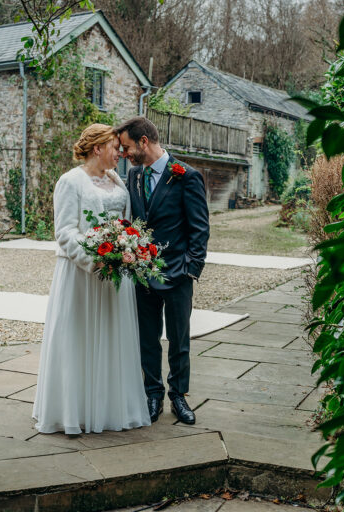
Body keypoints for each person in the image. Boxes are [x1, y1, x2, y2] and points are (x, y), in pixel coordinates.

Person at [32, 124, 151, 434]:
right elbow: (64, 232)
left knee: (112, 338)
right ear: (98, 148)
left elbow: (125, 224)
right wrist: (94, 258)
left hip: (115, 277)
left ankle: (111, 408)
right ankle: (75, 411)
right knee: (79, 340)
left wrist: (130, 249)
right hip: (81, 276)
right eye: (115, 147)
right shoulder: (70, 182)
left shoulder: (116, 180)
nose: (120, 153)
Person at [116, 117, 209, 425]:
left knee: (179, 338)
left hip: (178, 273)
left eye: (128, 147)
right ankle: (152, 394)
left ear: (144, 142)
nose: (125, 154)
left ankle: (178, 396)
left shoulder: (187, 176)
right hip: (142, 271)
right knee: (147, 337)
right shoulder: (134, 176)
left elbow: (199, 229)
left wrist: (190, 270)